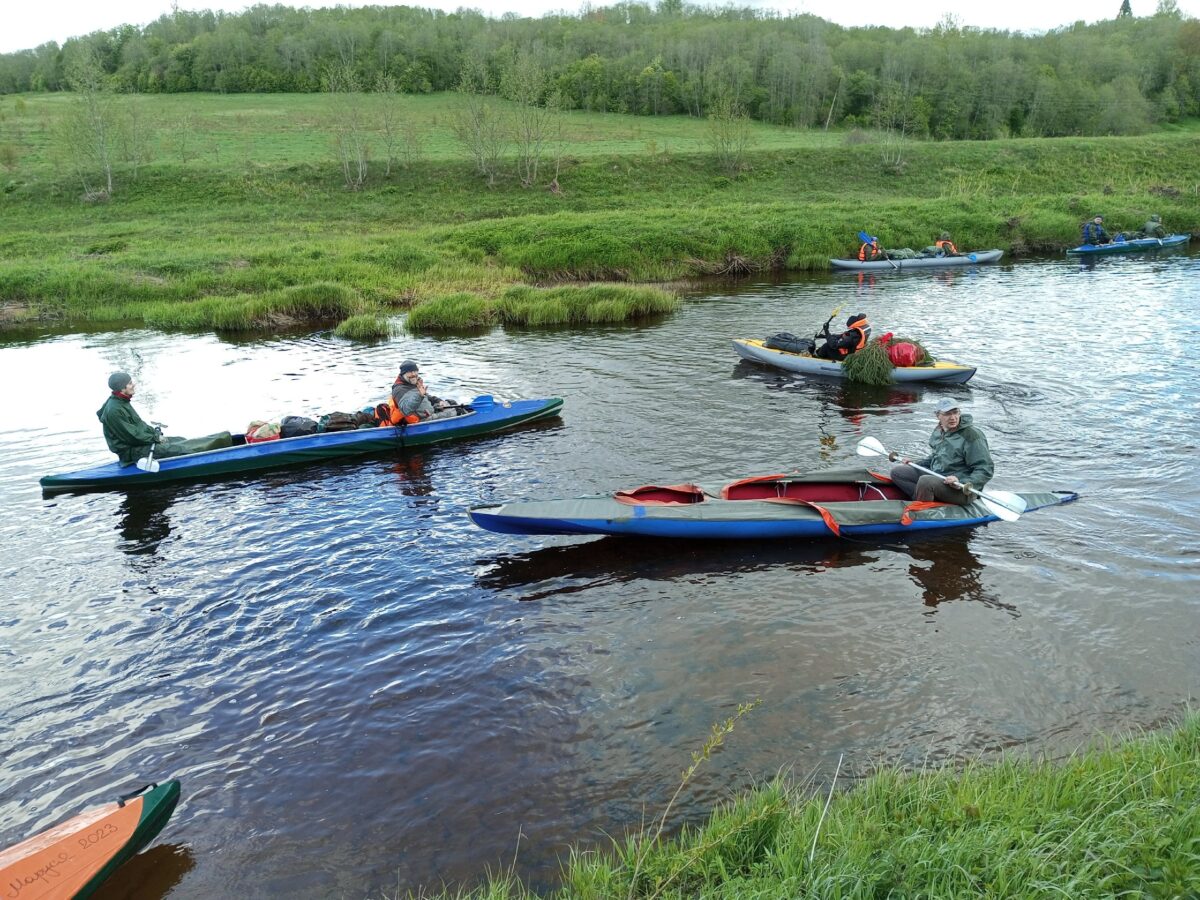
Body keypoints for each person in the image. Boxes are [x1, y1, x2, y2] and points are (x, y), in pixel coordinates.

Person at [98, 372, 233, 466]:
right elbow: (131, 436)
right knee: (179, 449)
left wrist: (155, 434)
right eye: (129, 383)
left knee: (180, 440)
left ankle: (223, 439)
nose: (133, 384)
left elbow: (139, 427)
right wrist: (156, 438)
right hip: (131, 453)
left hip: (140, 444)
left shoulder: (121, 401)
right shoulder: (114, 410)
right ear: (122, 388)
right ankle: (221, 446)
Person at [887, 398, 994, 506]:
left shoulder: (972, 436)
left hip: (962, 489)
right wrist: (915, 463)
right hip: (940, 477)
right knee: (898, 472)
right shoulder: (940, 430)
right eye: (947, 414)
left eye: (955, 412)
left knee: (926, 482)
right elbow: (936, 456)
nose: (953, 418)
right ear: (938, 416)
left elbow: (985, 469)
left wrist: (961, 481)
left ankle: (923, 511)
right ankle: (924, 498)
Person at [386, 360, 458, 424]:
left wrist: (439, 401)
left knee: (451, 402)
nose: (413, 374)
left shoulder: (413, 382)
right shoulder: (399, 390)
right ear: (403, 374)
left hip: (428, 412)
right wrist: (419, 395)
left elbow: (426, 396)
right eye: (410, 372)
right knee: (452, 412)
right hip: (421, 421)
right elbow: (405, 409)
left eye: (415, 371)